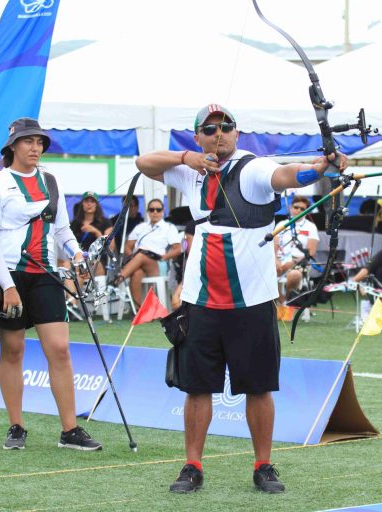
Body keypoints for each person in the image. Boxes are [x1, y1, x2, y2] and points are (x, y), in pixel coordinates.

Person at [136, 103, 347, 494]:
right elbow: (143, 162)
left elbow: (285, 175)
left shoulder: (252, 169)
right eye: (210, 128)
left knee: (258, 386)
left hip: (251, 301)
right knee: (197, 387)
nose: (220, 133)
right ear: (197, 135)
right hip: (201, 300)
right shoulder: (193, 172)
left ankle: (264, 465)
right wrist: (189, 158)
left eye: (227, 126)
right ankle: (192, 466)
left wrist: (319, 168)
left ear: (237, 132)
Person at [0, 117, 101, 451]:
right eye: (29, 142)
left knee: (59, 350)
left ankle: (70, 430)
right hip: (9, 276)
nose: (36, 148)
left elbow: (62, 231)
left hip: (45, 275)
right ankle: (16, 426)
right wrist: (7, 286)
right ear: (13, 146)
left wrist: (77, 255)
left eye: (40, 143)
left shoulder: (50, 180)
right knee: (13, 350)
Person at [115, 198, 181, 307]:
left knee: (141, 255)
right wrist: (133, 258)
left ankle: (118, 280)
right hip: (139, 260)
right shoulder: (141, 227)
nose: (155, 212)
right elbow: (128, 246)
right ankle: (139, 311)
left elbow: (178, 249)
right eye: (152, 209)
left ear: (163, 211)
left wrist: (165, 257)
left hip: (158, 262)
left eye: (158, 210)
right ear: (148, 211)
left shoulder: (169, 227)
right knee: (136, 273)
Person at [273, 195, 319, 308]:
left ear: (307, 211)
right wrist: (277, 261)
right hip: (279, 261)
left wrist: (291, 263)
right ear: (290, 208)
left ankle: (287, 301)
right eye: (296, 207)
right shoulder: (281, 224)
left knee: (294, 275)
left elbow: (311, 252)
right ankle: (280, 303)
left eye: (302, 209)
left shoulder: (310, 227)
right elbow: (273, 248)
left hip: (299, 264)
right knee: (265, 273)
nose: (298, 210)